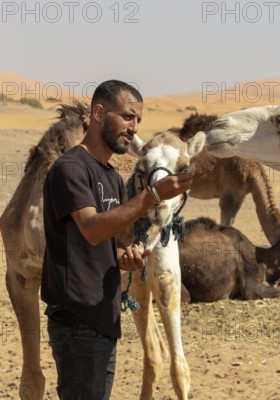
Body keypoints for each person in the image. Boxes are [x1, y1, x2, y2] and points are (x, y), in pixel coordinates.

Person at [41, 80, 193, 399]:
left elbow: (105, 238)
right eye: (126, 117)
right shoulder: (71, 170)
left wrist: (124, 254)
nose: (133, 128)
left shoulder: (110, 176)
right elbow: (92, 228)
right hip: (77, 320)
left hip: (104, 320)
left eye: (137, 120)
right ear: (99, 113)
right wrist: (152, 195)